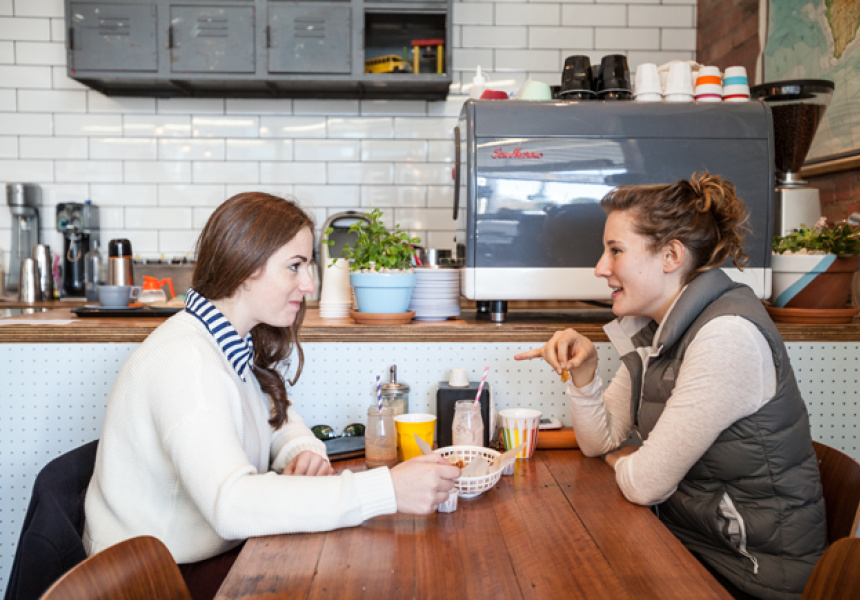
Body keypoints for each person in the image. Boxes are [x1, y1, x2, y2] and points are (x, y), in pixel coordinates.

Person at [83, 192, 460, 599]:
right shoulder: (186, 363)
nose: (309, 284)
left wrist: (301, 451)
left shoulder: (230, 340)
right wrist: (388, 490)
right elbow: (232, 504)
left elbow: (278, 417)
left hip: (191, 561)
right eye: (295, 266)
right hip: (152, 582)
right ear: (245, 266)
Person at [515, 173, 826, 600]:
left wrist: (630, 463)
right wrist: (584, 376)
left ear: (671, 256)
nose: (600, 268)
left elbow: (644, 485)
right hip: (689, 545)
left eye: (615, 250)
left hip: (749, 575)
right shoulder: (657, 328)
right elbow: (599, 442)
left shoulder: (726, 336)